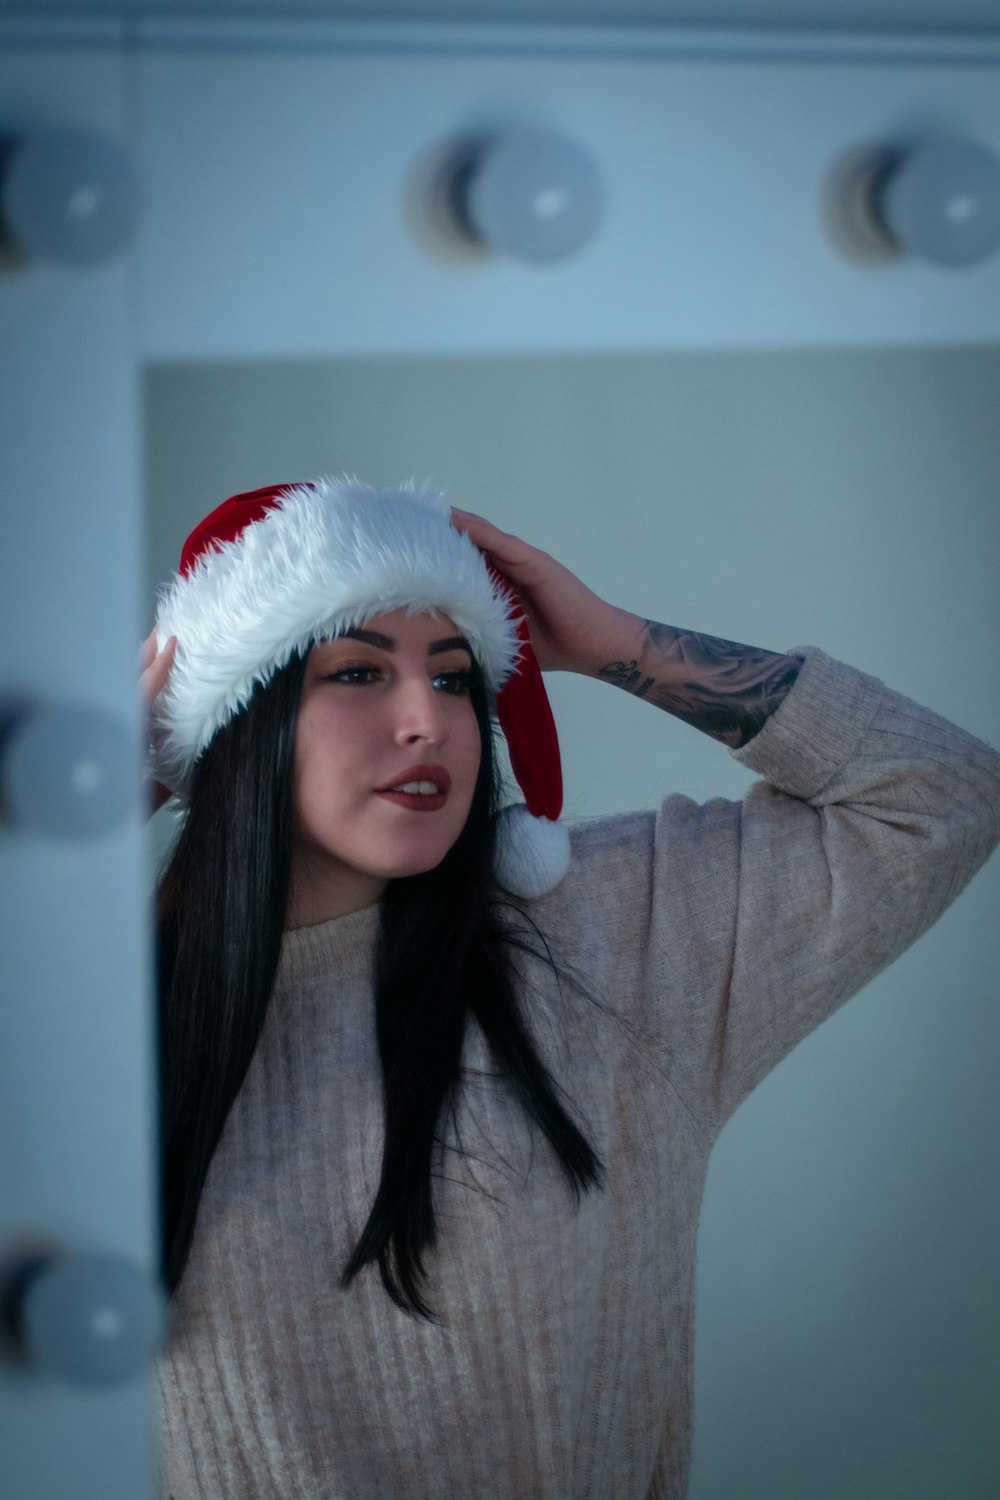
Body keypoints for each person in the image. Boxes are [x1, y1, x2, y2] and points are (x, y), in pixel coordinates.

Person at [144, 475, 999, 1500]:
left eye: (457, 678)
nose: (428, 720)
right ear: (243, 715)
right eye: (359, 674)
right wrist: (89, 807)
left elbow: (940, 796)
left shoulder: (607, 933)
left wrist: (614, 645)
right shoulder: (88, 1010)